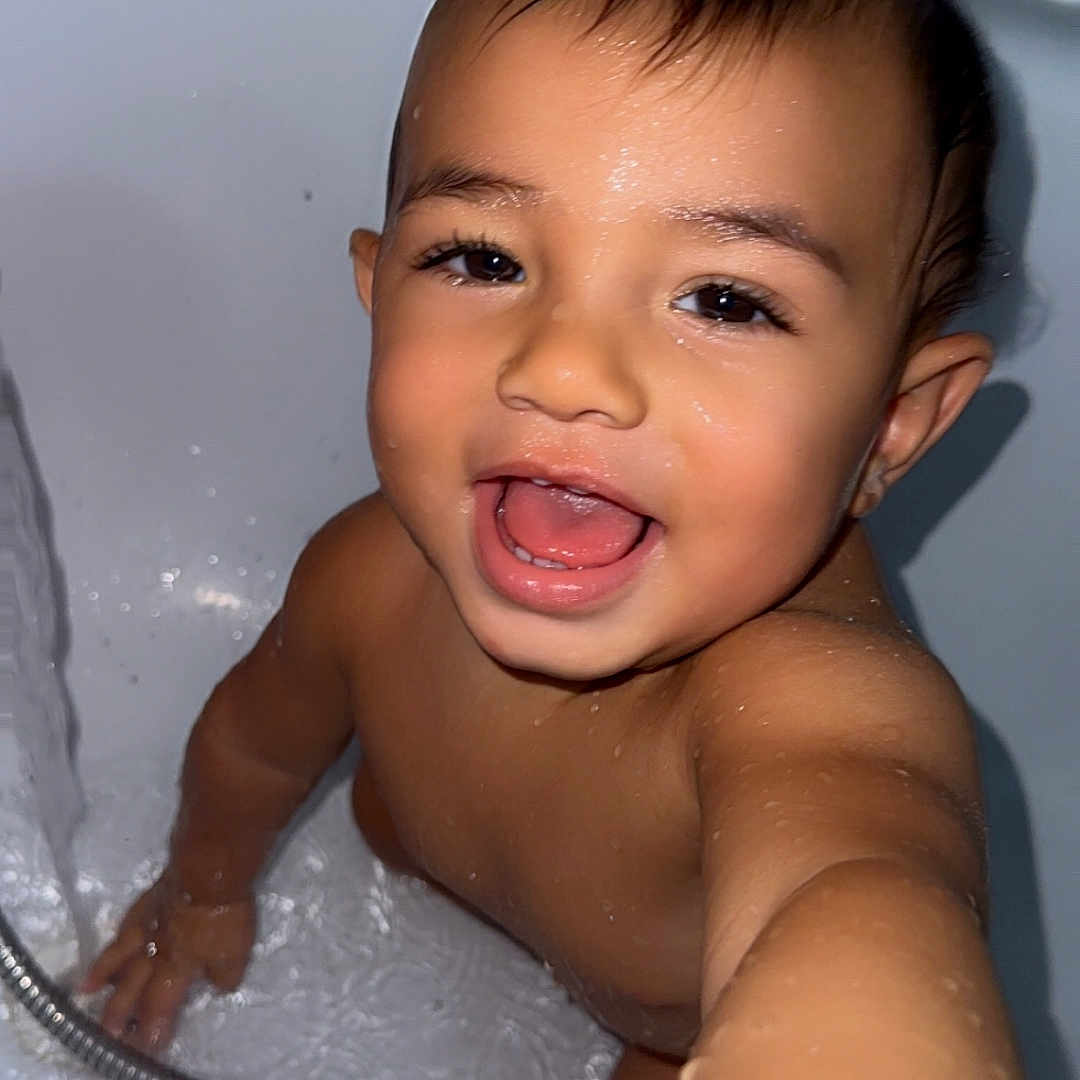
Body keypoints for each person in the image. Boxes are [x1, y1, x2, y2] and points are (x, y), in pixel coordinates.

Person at [81, 1, 1024, 1075]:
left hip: (668, 1025)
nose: (563, 369)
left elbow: (854, 880)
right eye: (483, 261)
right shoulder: (369, 576)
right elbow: (254, 743)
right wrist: (201, 886)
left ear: (892, 426)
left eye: (724, 299)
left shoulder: (806, 700)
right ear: (377, 291)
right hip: (424, 849)